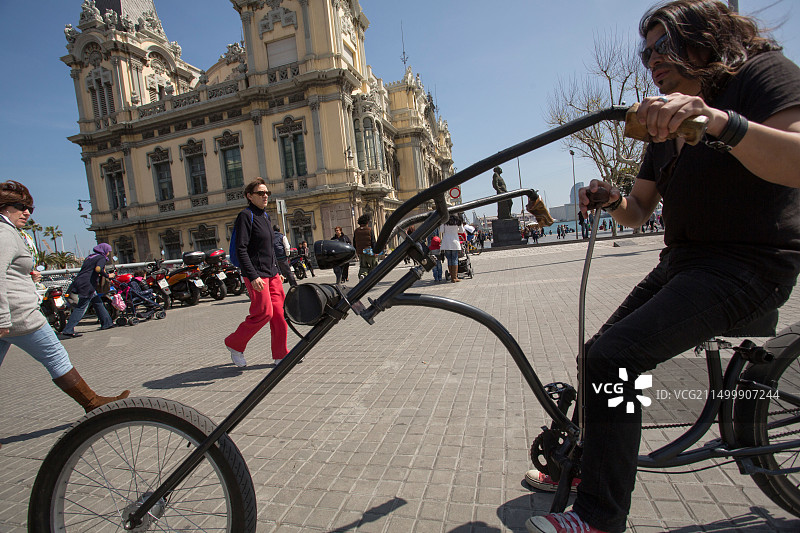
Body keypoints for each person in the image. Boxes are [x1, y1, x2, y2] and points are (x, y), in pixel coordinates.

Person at [525, 2, 800, 532]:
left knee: (615, 358)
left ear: (707, 39)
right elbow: (639, 212)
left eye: (663, 45)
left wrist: (720, 123)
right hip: (685, 263)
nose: (651, 60)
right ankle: (589, 466)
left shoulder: (763, 76)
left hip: (750, 265)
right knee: (600, 355)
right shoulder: (665, 122)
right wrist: (610, 199)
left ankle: (600, 519)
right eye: (646, 52)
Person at [0, 180, 129, 431]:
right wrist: (2, 318)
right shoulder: (4, 233)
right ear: (3, 207)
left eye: (30, 208)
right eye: (20, 206)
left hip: (12, 316)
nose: (27, 212)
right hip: (18, 316)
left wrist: (28, 274)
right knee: (55, 355)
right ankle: (92, 404)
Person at [225, 178, 288, 368]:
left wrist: (278, 270)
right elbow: (241, 249)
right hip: (256, 275)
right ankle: (234, 343)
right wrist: (252, 276)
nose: (265, 196)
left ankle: (280, 354)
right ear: (249, 196)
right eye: (260, 193)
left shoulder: (266, 217)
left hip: (272, 274)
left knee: (279, 314)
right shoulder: (246, 216)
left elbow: (268, 248)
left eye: (267, 193)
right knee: (264, 313)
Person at [61, 242, 116, 337]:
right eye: (108, 251)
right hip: (87, 284)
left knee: (97, 302)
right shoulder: (101, 258)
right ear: (104, 250)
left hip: (79, 281)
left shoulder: (90, 257)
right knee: (81, 307)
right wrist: (108, 275)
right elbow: (98, 269)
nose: (108, 253)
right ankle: (68, 329)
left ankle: (107, 323)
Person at [439, 214, 464, 283]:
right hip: (455, 242)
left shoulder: (444, 220)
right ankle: (454, 277)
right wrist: (456, 230)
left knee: (449, 259)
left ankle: (452, 277)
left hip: (446, 242)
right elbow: (462, 231)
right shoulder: (458, 220)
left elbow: (441, 230)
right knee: (455, 259)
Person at [353, 214, 377, 279]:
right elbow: (373, 241)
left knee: (363, 266)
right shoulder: (369, 230)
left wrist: (356, 251)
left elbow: (354, 242)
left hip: (360, 252)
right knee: (373, 265)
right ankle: (372, 278)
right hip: (369, 251)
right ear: (367, 222)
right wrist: (376, 251)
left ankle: (363, 275)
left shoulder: (356, 231)